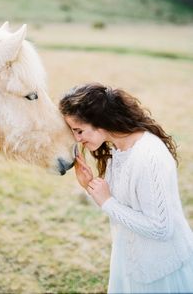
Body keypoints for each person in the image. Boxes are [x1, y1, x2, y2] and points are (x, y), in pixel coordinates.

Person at [59, 82, 193, 294]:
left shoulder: (149, 156)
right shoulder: (119, 151)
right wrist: (90, 188)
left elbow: (161, 228)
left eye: (79, 130)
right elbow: (122, 212)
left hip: (160, 271)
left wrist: (107, 201)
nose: (77, 139)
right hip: (130, 264)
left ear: (99, 121)